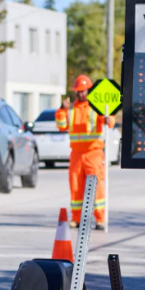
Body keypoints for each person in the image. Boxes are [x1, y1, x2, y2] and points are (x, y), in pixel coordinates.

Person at [56, 75, 114, 230]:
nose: (81, 94)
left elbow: (109, 120)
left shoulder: (97, 106)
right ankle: (76, 218)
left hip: (93, 153)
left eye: (83, 91)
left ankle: (100, 219)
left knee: (96, 187)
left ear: (89, 90)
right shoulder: (71, 109)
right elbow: (61, 126)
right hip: (76, 154)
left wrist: (110, 121)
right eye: (78, 91)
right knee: (75, 187)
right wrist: (62, 110)